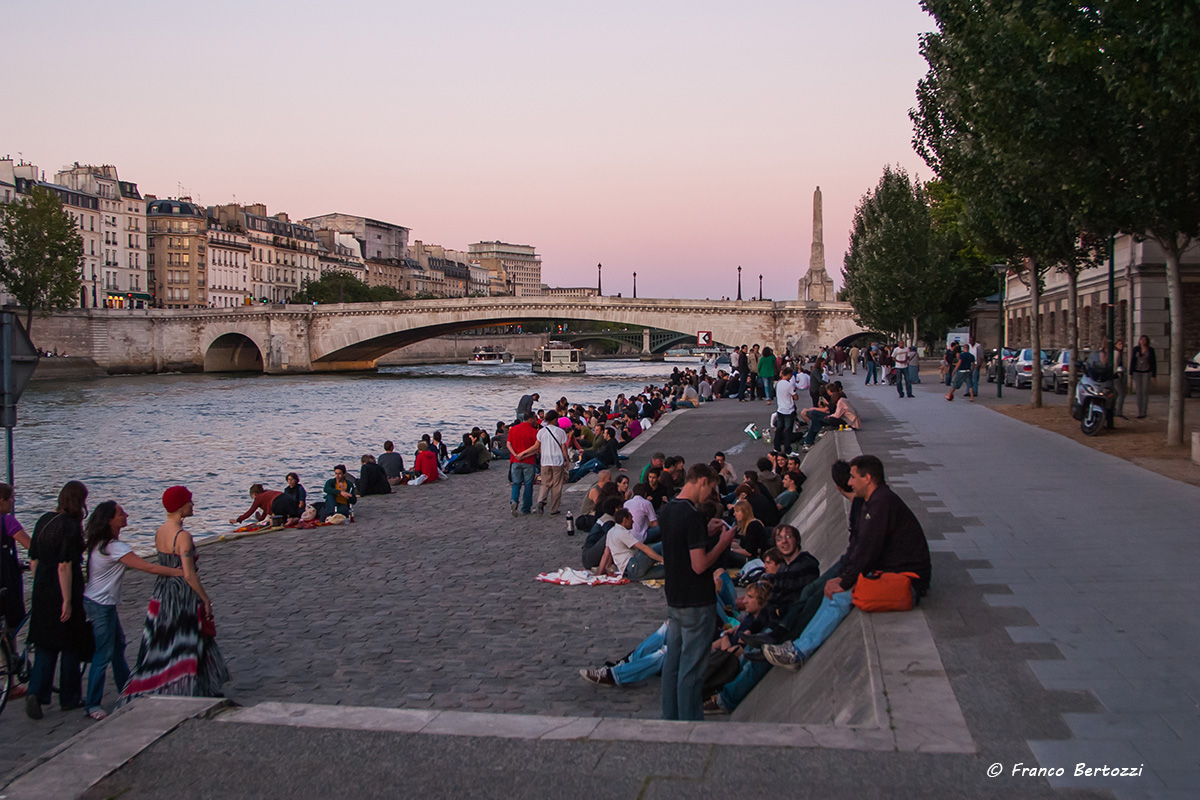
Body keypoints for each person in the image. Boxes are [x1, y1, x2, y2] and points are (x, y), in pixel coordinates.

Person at [761, 455, 931, 670]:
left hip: (908, 581)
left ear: (867, 478)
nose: (849, 483)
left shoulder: (881, 505)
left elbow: (867, 551)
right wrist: (843, 578)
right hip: (890, 573)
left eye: (852, 477)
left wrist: (844, 581)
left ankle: (799, 651)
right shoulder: (875, 502)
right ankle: (796, 645)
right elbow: (859, 549)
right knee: (830, 591)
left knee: (841, 596)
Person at [118, 486, 228, 705]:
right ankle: (185, 686)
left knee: (163, 640)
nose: (193, 505)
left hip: (162, 590)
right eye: (190, 501)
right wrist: (205, 598)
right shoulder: (183, 536)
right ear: (181, 506)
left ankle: (193, 685)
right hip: (181, 594)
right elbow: (188, 574)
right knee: (187, 640)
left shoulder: (160, 531)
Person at [82, 501, 183, 720]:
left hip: (96, 600)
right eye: (120, 513)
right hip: (102, 605)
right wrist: (177, 572)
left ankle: (128, 689)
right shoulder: (115, 548)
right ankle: (92, 704)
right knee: (104, 653)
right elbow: (147, 566)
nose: (125, 515)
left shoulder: (100, 544)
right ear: (110, 520)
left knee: (117, 647)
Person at [660, 463, 734, 721]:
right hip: (696, 599)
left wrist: (706, 531)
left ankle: (670, 718)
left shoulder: (668, 509)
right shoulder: (692, 515)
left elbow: (679, 546)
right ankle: (690, 725)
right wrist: (722, 543)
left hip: (675, 598)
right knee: (692, 669)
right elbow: (700, 564)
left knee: (673, 664)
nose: (710, 495)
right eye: (711, 488)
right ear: (702, 481)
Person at [25, 481, 90, 719]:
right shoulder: (71, 527)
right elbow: (65, 566)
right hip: (63, 589)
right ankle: (69, 696)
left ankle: (37, 692)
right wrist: (67, 600)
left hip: (42, 588)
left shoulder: (43, 520)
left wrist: (40, 584)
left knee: (45, 645)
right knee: (70, 644)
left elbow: (33, 558)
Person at [0, 483, 30, 661]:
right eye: (11, 498)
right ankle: (10, 680)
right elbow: (31, 546)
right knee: (10, 625)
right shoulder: (7, 521)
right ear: (2, 500)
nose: (13, 501)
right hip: (6, 580)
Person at [598, 508, 664, 582]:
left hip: (630, 574)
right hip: (633, 565)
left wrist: (600, 573)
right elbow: (644, 548)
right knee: (662, 544)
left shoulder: (611, 532)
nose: (633, 521)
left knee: (667, 571)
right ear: (625, 520)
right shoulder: (622, 533)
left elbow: (606, 553)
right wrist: (661, 559)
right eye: (631, 519)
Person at [532, 410, 569, 514]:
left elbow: (537, 446)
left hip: (545, 461)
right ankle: (554, 509)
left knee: (545, 483)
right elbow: (564, 448)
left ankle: (541, 500)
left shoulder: (541, 432)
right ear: (555, 419)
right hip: (557, 461)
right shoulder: (560, 432)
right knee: (557, 485)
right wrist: (567, 460)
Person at [507, 411, 539, 516]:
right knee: (528, 485)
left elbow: (508, 444)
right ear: (530, 419)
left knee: (516, 484)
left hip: (515, 460)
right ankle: (526, 508)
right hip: (528, 461)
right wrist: (524, 455)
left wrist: (515, 454)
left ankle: (514, 501)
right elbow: (536, 448)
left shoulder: (514, 429)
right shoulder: (534, 432)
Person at [230, 483, 302, 526]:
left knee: (279, 518)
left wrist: (238, 520)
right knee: (288, 515)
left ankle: (288, 521)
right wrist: (261, 519)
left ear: (254, 494)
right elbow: (266, 511)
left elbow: (250, 511)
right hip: (288, 498)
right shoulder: (268, 493)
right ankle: (293, 518)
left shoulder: (258, 497)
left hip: (278, 502)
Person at [1130, 335, 1156, 419]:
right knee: (1138, 391)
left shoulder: (1150, 350)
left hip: (1146, 372)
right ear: (1140, 341)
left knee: (1144, 391)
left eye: (1145, 340)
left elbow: (1153, 362)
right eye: (1142, 339)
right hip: (1137, 372)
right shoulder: (1136, 349)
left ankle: (1144, 412)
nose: (1143, 341)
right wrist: (1131, 372)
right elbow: (1132, 360)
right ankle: (1139, 411)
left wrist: (1154, 375)